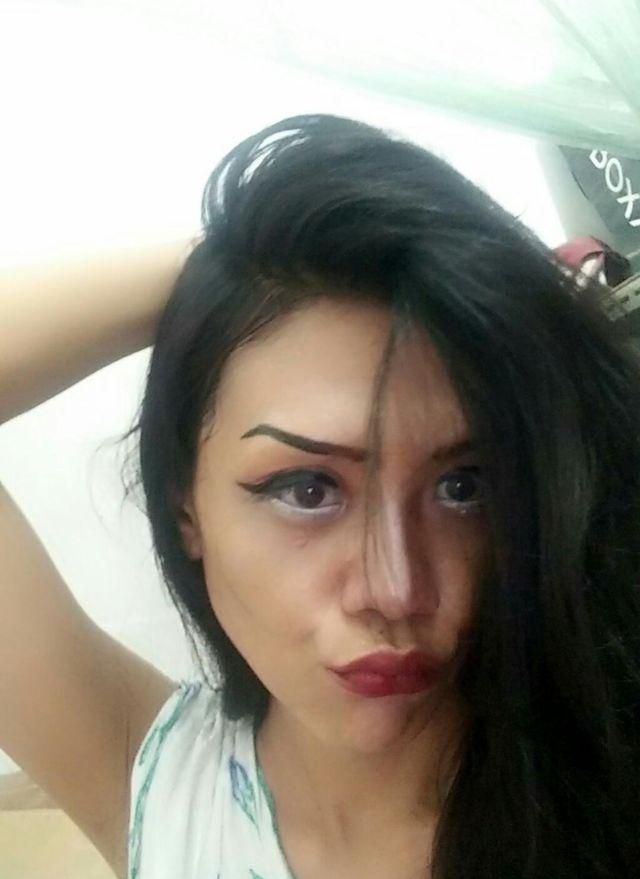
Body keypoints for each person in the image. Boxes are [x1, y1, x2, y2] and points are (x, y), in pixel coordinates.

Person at [1, 113, 639, 879]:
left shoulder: (608, 794)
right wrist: (225, 267)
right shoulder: (158, 788)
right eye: (308, 489)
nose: (395, 590)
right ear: (185, 507)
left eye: (462, 487)